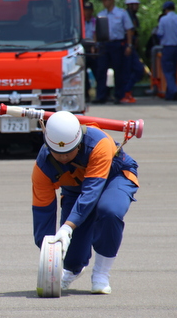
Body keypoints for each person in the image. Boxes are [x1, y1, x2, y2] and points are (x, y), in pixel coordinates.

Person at [31, 111, 138, 294]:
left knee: (109, 211)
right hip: (74, 189)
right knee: (72, 256)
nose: (63, 157)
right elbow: (43, 211)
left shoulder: (99, 143)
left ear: (79, 142)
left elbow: (91, 191)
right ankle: (71, 270)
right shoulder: (42, 166)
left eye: (68, 152)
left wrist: (67, 227)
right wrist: (50, 252)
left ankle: (101, 274)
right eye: (58, 153)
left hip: (114, 178)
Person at [94, 0, 134, 104]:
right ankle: (101, 96)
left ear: (112, 0)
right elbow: (96, 31)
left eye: (105, 0)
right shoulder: (101, 14)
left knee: (118, 70)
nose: (104, 3)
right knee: (101, 70)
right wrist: (96, 44)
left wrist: (129, 45)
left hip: (117, 44)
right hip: (104, 44)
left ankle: (118, 95)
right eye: (103, 1)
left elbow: (129, 29)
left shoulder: (121, 13)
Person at [156, 1, 177, 101]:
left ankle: (174, 90)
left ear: (165, 10)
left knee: (167, 71)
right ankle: (170, 94)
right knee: (173, 70)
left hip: (168, 47)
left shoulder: (163, 19)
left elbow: (160, 33)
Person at [121, 0, 145, 104]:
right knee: (136, 69)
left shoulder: (134, 17)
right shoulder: (126, 15)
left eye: (137, 4)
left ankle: (127, 92)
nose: (136, 7)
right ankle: (125, 92)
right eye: (134, 5)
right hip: (126, 47)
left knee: (134, 70)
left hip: (132, 47)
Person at [83, 1, 97, 101]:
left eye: (89, 10)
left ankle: (101, 93)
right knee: (82, 73)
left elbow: (96, 34)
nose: (87, 12)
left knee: (98, 71)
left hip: (93, 48)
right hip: (82, 48)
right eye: (85, 10)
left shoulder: (95, 21)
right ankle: (86, 94)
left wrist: (94, 45)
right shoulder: (79, 22)